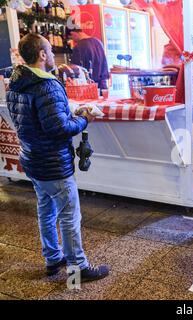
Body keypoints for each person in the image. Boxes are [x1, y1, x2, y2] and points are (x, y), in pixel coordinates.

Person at [6, 33, 110, 282]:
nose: (53, 55)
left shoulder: (15, 83)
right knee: (69, 216)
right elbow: (59, 128)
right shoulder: (48, 85)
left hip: (32, 159)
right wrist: (85, 119)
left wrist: (71, 111)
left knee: (46, 210)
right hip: (53, 163)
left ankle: (53, 259)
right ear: (42, 55)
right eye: (50, 51)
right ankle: (78, 269)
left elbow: (34, 120)